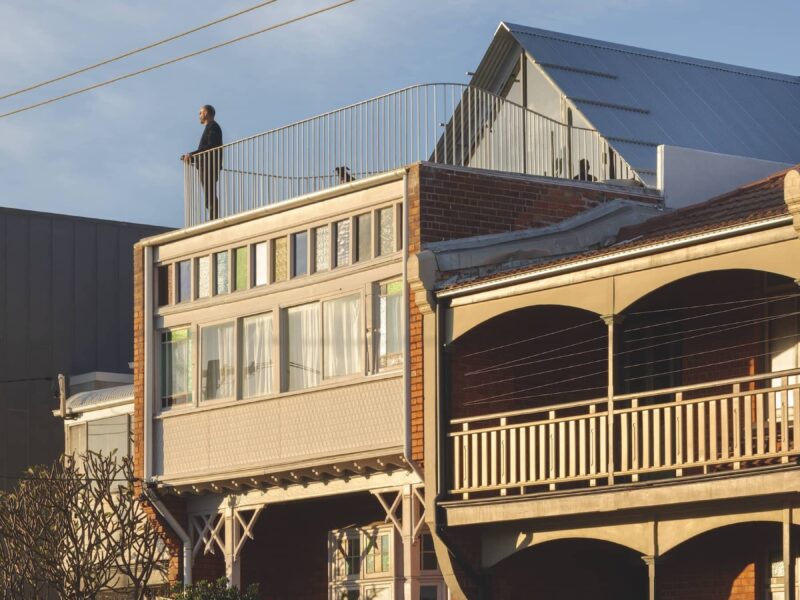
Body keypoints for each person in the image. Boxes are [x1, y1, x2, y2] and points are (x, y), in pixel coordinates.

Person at [182, 105, 223, 219]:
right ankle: (212, 216)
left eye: (200, 113)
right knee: (208, 193)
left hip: (209, 165)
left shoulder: (213, 127)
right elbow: (206, 149)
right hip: (206, 164)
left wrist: (192, 154)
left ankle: (214, 217)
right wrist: (192, 158)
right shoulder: (210, 127)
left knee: (210, 192)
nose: (199, 116)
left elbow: (211, 146)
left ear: (206, 113)